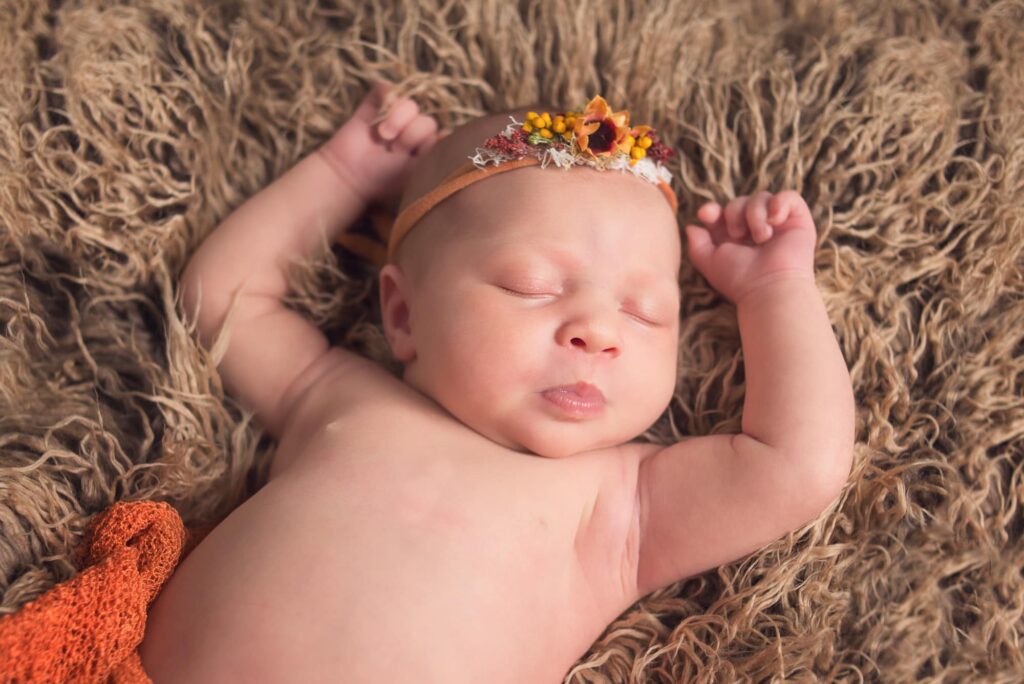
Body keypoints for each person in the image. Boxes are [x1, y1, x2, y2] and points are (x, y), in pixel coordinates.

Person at [138, 81, 855, 682]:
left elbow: (795, 464)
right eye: (532, 286)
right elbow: (225, 297)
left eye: (645, 313)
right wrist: (344, 175)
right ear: (403, 313)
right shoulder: (338, 397)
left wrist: (778, 290)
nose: (598, 333)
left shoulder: (622, 507)